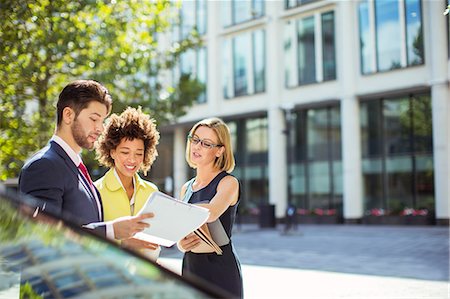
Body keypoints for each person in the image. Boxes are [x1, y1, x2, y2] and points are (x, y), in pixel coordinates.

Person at [19, 79, 153, 240]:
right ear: (68, 115)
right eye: (94, 119)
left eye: (102, 121)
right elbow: (43, 234)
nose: (100, 128)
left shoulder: (75, 168)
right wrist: (111, 231)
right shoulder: (44, 166)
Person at [177, 117, 243, 298]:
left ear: (219, 151)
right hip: (191, 267)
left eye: (206, 144)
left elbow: (212, 212)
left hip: (220, 270)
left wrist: (175, 210)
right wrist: (181, 244)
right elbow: (182, 229)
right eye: (195, 139)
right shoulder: (186, 187)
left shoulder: (228, 182)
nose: (196, 147)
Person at [95, 107, 161, 260]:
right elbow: (87, 241)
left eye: (138, 153)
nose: (132, 160)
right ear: (112, 152)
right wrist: (123, 243)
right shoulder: (95, 191)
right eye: (125, 152)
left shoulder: (152, 192)